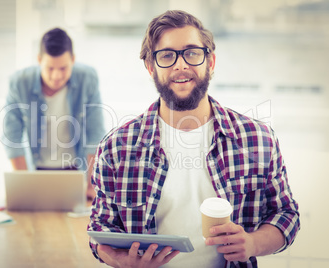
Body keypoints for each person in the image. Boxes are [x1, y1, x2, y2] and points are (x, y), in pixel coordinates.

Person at [87, 10, 300, 267]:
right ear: (150, 67)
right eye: (167, 55)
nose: (181, 64)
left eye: (191, 52)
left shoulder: (258, 139)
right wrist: (123, 261)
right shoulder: (115, 147)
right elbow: (101, 229)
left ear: (210, 62)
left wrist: (253, 243)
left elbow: (286, 215)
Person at [1, 28, 105, 200]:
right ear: (39, 60)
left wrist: (91, 185)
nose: (56, 76)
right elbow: (12, 138)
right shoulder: (19, 83)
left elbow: (95, 135)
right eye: (50, 68)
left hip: (75, 170)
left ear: (73, 60)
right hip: (35, 170)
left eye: (63, 68)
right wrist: (25, 186)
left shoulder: (88, 78)